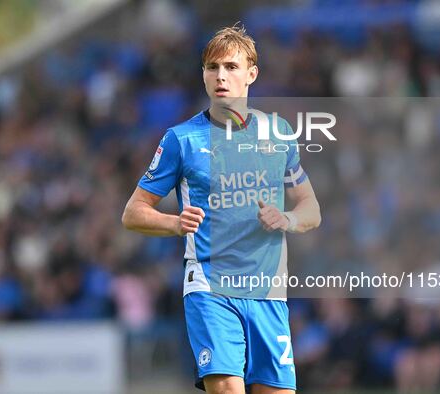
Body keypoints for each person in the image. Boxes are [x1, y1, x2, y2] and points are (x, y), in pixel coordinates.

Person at [122, 24, 321, 394]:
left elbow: (311, 208)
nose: (221, 77)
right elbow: (133, 212)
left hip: (268, 294)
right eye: (212, 68)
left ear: (251, 74)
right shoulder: (181, 139)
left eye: (231, 67)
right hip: (211, 288)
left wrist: (288, 218)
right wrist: (174, 222)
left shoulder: (277, 134)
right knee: (228, 389)